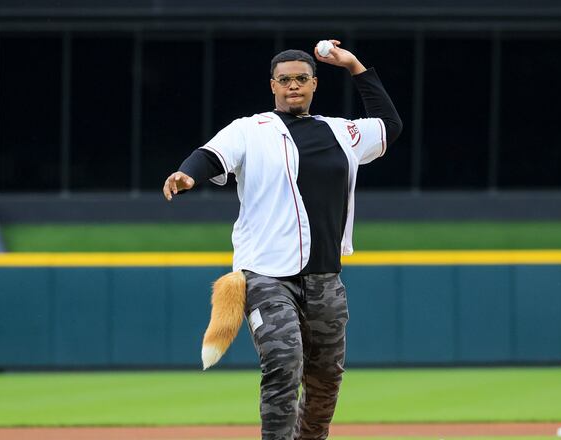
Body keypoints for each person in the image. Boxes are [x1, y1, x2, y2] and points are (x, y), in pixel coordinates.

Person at [163, 40, 402, 440]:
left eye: (302, 79)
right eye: (285, 79)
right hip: (265, 276)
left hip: (325, 277)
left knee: (325, 379)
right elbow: (211, 155)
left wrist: (355, 65)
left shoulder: (342, 132)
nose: (294, 85)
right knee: (283, 361)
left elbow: (388, 125)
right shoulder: (250, 129)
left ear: (314, 84)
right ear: (272, 85)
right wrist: (187, 175)